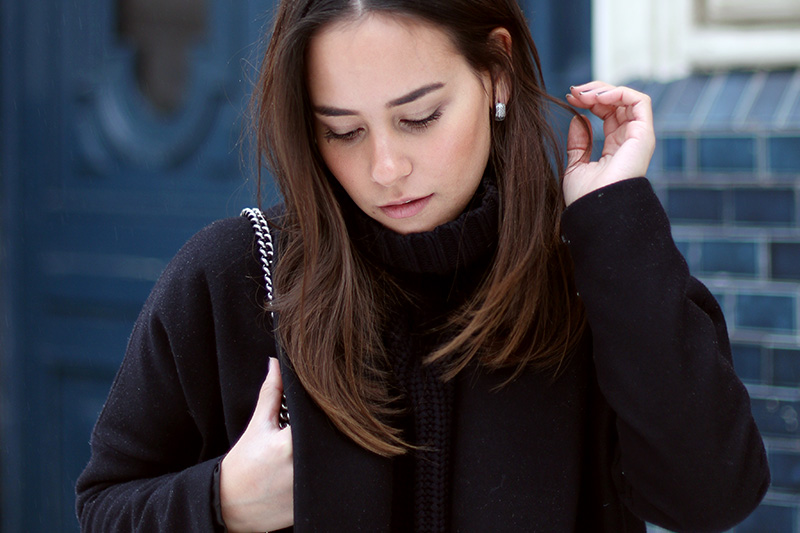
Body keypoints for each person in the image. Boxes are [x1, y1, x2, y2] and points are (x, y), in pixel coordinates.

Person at [75, 0, 770, 531]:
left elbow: (710, 493)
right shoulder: (232, 278)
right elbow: (104, 506)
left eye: (420, 116)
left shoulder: (588, 279)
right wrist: (222, 500)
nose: (385, 169)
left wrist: (615, 219)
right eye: (342, 131)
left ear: (496, 70)